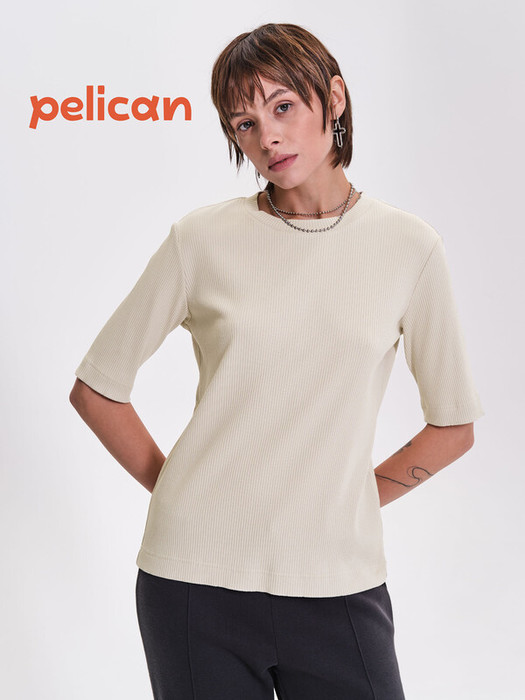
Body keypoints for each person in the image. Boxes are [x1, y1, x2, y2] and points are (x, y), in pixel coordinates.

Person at [69, 22, 484, 700]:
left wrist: (350, 499)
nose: (267, 137)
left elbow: (454, 426)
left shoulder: (409, 248)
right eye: (244, 123)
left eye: (283, 106)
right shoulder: (201, 239)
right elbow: (97, 388)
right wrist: (184, 494)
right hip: (192, 585)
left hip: (338, 583)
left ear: (334, 98)